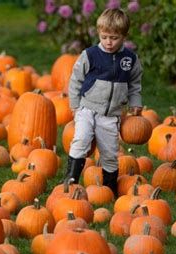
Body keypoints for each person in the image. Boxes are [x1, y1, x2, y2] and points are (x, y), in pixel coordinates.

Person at [64, 8, 143, 197]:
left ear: (124, 36)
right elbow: (75, 80)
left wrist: (135, 101)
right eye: (105, 36)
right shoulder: (90, 55)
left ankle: (108, 189)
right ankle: (70, 180)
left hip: (111, 114)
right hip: (87, 108)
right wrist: (75, 105)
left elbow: (135, 83)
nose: (108, 42)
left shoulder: (130, 59)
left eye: (114, 38)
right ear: (99, 33)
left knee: (109, 153)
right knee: (81, 140)